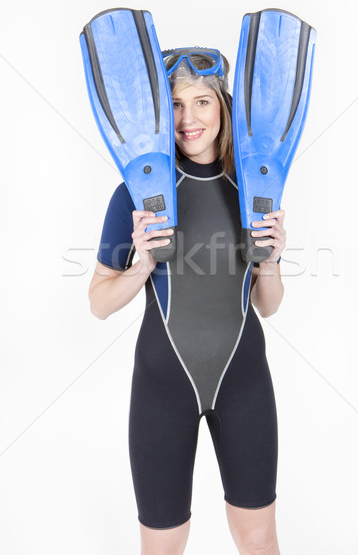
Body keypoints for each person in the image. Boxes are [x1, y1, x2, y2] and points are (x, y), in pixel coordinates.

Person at [88, 49, 286, 555]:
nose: (188, 119)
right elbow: (99, 302)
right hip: (161, 389)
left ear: (222, 106)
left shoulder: (255, 186)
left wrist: (272, 260)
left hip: (245, 383)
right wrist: (142, 264)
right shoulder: (136, 194)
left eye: (201, 102)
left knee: (259, 539)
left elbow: (270, 305)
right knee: (162, 544)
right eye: (174, 105)